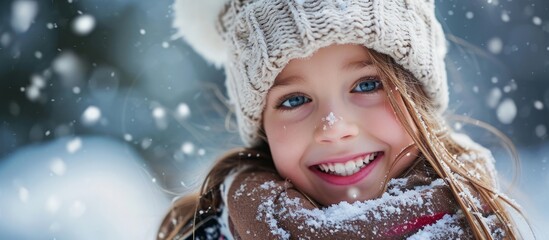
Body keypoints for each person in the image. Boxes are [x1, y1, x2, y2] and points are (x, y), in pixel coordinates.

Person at [158, 0, 531, 239]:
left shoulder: (479, 224)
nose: (334, 128)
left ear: (418, 96)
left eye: (367, 84)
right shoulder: (213, 231)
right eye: (295, 100)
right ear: (263, 129)